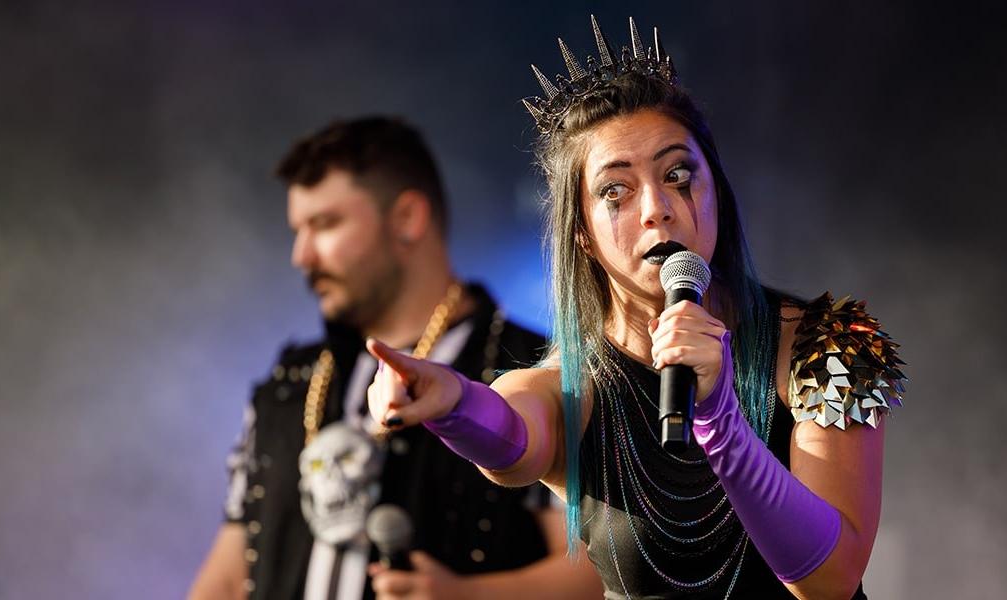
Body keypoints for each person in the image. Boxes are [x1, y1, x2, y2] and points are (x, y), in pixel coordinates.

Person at [366, 17, 906, 600]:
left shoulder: (820, 345)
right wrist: (451, 403)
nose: (656, 208)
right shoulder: (570, 388)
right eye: (615, 192)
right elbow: (511, 436)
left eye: (678, 175)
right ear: (583, 234)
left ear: (715, 190)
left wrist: (722, 423)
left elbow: (831, 580)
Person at [190, 117, 603, 600]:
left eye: (325, 224)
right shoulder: (290, 380)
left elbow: (600, 572)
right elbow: (226, 576)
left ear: (407, 218)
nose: (302, 255)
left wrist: (470, 598)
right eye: (298, 230)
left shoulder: (534, 369)